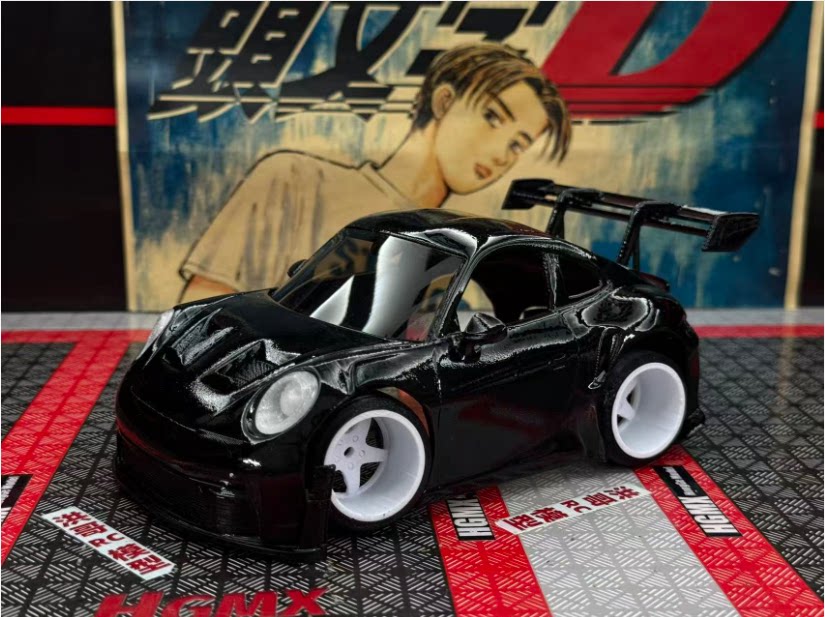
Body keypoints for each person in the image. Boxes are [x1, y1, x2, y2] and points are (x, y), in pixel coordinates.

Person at [179, 42, 571, 302]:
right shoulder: (293, 180)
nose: (501, 153)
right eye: (492, 117)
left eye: (518, 144)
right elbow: (206, 310)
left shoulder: (460, 246)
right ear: (444, 100)